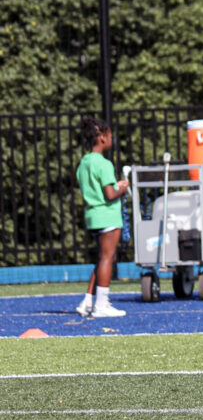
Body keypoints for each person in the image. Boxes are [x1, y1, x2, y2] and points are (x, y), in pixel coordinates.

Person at [75, 117, 130, 318]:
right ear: (101, 137)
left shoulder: (84, 163)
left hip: (92, 216)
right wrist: (122, 188)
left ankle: (88, 301)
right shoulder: (104, 164)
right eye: (109, 134)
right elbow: (109, 194)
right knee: (108, 258)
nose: (111, 138)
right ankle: (102, 304)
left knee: (102, 258)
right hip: (107, 216)